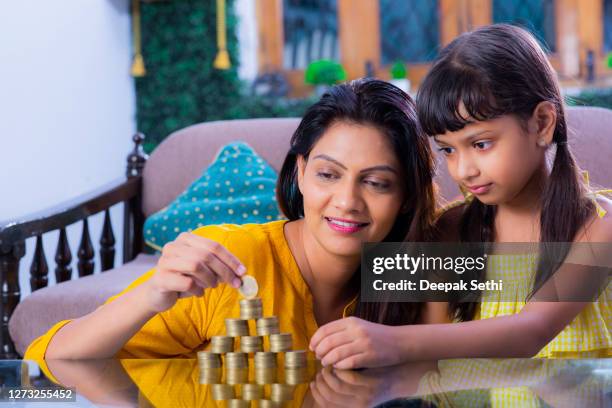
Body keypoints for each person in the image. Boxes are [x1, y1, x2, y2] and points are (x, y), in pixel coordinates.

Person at [25, 78, 440, 361]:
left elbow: (505, 296)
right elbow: (43, 364)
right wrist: (152, 292)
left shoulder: (416, 263)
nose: (347, 201)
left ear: (405, 197)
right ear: (300, 171)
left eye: (377, 183)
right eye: (328, 175)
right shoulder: (228, 260)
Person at [310, 24, 612, 369]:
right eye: (448, 150)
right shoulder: (450, 230)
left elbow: (533, 332)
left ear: (542, 123)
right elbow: (435, 364)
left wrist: (393, 341)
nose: (463, 170)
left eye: (481, 144)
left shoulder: (598, 226)